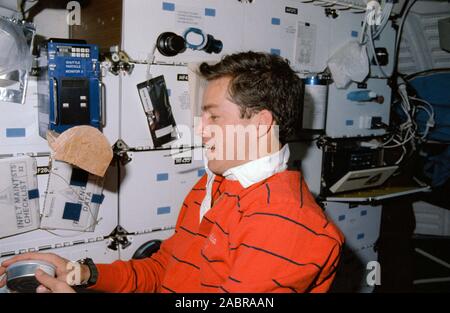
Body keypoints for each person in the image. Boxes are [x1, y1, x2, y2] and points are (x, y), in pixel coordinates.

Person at [0, 51, 344, 293]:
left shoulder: (287, 224)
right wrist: (81, 273)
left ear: (260, 124)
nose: (200, 129)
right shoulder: (212, 186)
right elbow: (164, 269)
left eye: (213, 117)